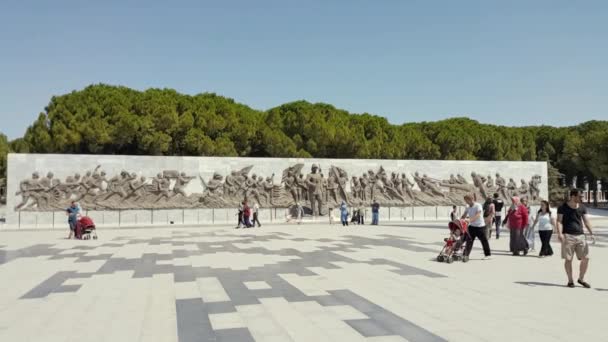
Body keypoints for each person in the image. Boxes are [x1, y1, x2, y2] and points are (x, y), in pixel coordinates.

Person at [557, 189, 595, 288]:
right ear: (573, 196)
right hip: (568, 236)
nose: (581, 198)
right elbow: (559, 221)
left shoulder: (582, 207)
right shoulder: (562, 207)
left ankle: (581, 279)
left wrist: (592, 233)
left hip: (580, 236)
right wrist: (560, 234)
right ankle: (570, 281)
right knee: (568, 259)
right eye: (580, 196)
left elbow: (586, 221)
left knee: (586, 258)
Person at [461, 194, 491, 261]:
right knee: (469, 241)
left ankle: (488, 255)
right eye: (465, 201)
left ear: (471, 199)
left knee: (484, 241)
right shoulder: (468, 207)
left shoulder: (478, 205)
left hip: (480, 226)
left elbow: (478, 215)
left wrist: (470, 220)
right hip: (472, 226)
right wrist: (460, 220)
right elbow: (464, 215)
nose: (466, 202)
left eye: (467, 200)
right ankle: (466, 255)